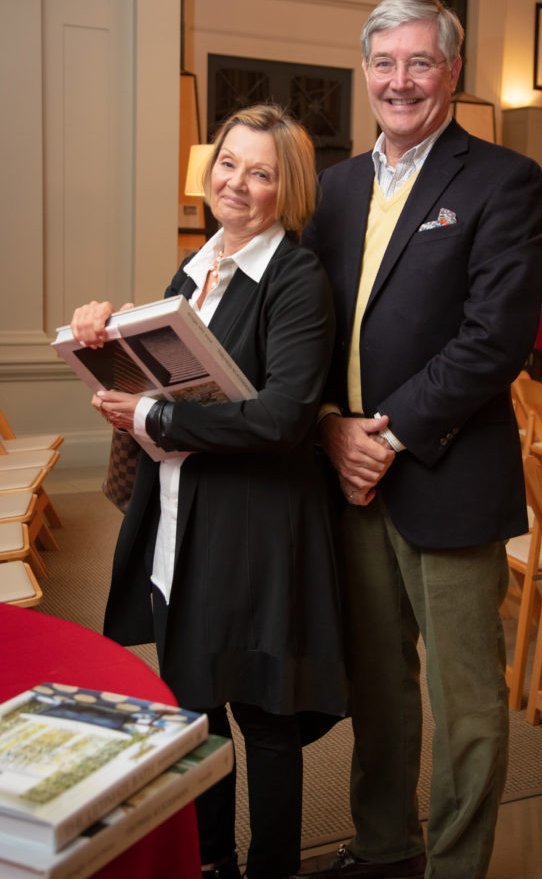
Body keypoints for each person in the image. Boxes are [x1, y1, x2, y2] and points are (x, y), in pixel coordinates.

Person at [296, 0, 542, 879]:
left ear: (450, 71)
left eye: (419, 62)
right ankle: (381, 847)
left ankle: (454, 867)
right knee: (379, 686)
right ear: (364, 73)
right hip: (348, 475)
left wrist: (387, 433)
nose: (399, 80)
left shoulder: (501, 180)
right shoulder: (332, 187)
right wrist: (330, 428)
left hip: (445, 470)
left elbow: (495, 338)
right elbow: (308, 326)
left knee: (466, 700)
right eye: (384, 63)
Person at [70, 104, 347, 879]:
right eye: (228, 163)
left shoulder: (296, 278)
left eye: (260, 173)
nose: (237, 183)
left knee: (264, 715)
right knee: (193, 706)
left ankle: (272, 870)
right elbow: (167, 368)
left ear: (284, 189)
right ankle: (212, 863)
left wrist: (152, 412)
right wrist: (107, 331)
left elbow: (285, 417)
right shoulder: (199, 265)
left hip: (255, 531)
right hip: (181, 518)